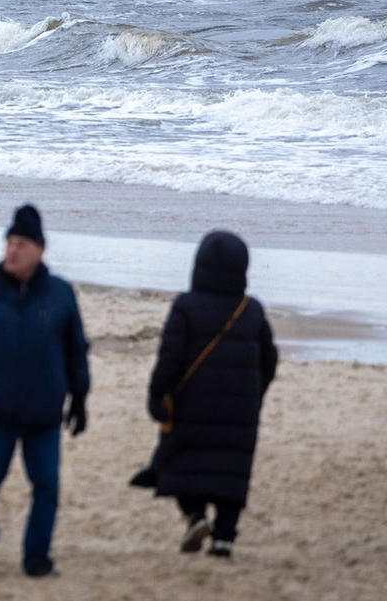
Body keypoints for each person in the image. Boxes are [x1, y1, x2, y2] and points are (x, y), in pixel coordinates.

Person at [0, 204, 90, 578]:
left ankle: (36, 557)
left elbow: (76, 348)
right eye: (9, 242)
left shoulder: (60, 294)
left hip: (44, 415)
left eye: (21, 244)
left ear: (40, 250)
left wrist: (81, 397)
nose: (12, 250)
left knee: (46, 489)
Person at [144, 230, 277, 559]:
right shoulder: (251, 310)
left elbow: (169, 359)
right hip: (240, 409)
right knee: (232, 471)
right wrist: (254, 393)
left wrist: (157, 394)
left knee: (182, 462)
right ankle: (225, 538)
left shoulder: (186, 306)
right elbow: (269, 361)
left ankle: (197, 516)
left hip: (192, 403)